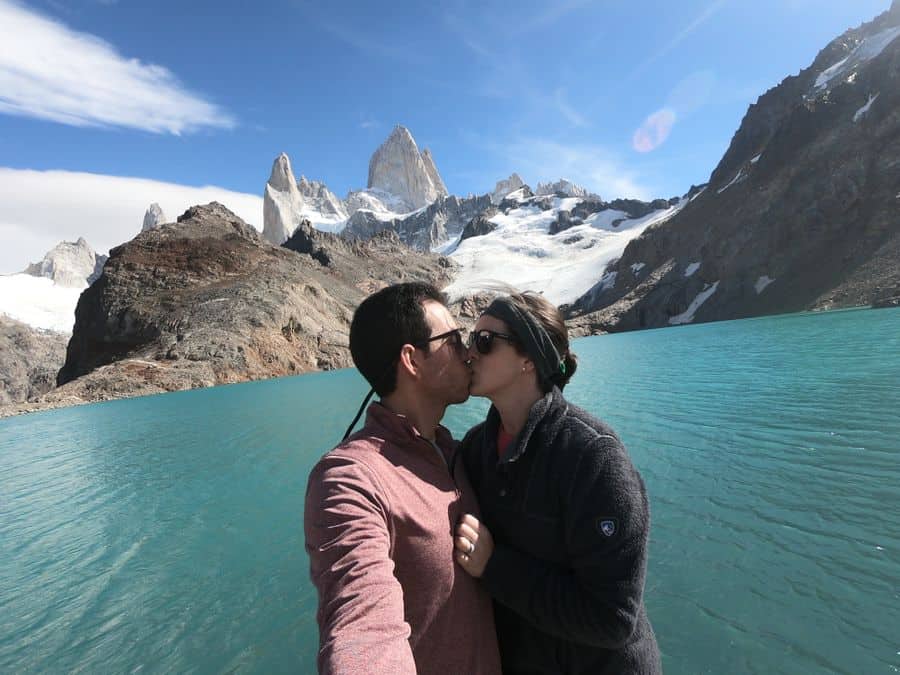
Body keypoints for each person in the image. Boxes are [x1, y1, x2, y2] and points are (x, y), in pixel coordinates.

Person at [453, 290, 662, 674]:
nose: (470, 353)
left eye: (484, 342)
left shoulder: (594, 458)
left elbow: (612, 619)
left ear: (528, 360)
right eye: (470, 340)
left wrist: (495, 565)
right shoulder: (474, 450)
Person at [304, 281, 501, 675]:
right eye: (453, 340)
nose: (468, 354)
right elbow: (362, 622)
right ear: (411, 361)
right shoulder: (349, 478)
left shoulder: (457, 452)